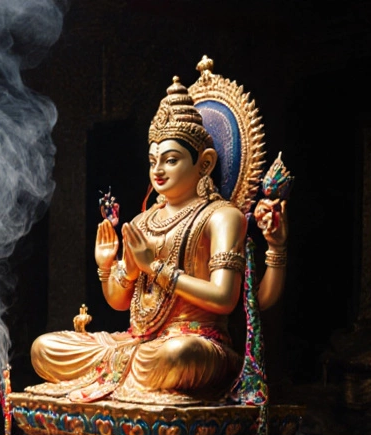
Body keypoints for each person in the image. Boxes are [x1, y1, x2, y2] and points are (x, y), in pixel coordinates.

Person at [28, 74, 289, 405]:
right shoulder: (142, 221)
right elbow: (120, 302)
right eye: (153, 161)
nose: (158, 170)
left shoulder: (222, 216)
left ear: (204, 163)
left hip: (196, 343)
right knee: (45, 348)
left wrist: (156, 267)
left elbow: (225, 298)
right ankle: (129, 380)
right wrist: (108, 267)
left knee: (178, 355)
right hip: (139, 344)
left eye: (171, 159)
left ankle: (138, 381)